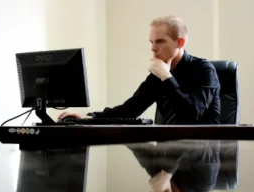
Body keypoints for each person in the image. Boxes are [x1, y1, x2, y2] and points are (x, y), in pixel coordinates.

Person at [58, 15, 221, 124]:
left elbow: (190, 114)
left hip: (201, 158)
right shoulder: (159, 74)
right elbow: (130, 110)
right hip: (168, 155)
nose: (153, 48)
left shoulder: (204, 70)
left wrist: (166, 77)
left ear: (180, 43)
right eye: (151, 42)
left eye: (160, 42)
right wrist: (90, 117)